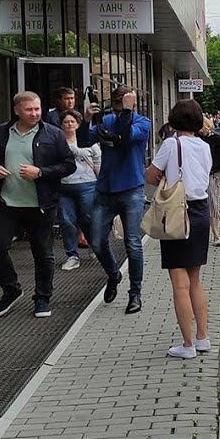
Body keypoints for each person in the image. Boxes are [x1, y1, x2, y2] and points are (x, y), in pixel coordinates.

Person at [0, 92, 74, 319]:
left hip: (41, 204)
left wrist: (40, 172)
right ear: (17, 111)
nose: (34, 114)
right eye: (29, 110)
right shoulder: (1, 133)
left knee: (42, 253)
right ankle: (11, 290)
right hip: (7, 203)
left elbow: (68, 165)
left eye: (37, 109)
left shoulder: (53, 134)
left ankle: (42, 298)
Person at [146, 99, 214, 359]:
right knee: (195, 278)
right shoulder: (204, 146)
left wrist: (165, 177)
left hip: (177, 212)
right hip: (201, 211)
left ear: (174, 119)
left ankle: (187, 345)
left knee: (179, 283)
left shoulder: (171, 144)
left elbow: (151, 175)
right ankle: (203, 337)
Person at [86, 86, 152, 314]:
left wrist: (127, 111)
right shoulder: (107, 120)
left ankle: (135, 293)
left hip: (132, 189)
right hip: (105, 189)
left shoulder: (142, 123)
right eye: (118, 103)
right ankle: (114, 274)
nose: (118, 109)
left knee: (132, 243)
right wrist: (87, 118)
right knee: (96, 241)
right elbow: (84, 140)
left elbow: (125, 138)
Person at [57, 109, 101, 271]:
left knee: (88, 219)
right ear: (61, 125)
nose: (69, 124)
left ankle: (95, 247)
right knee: (67, 221)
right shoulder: (57, 142)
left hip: (88, 185)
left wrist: (102, 187)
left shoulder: (90, 141)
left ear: (78, 124)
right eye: (66, 122)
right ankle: (72, 256)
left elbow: (98, 164)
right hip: (64, 187)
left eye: (72, 121)